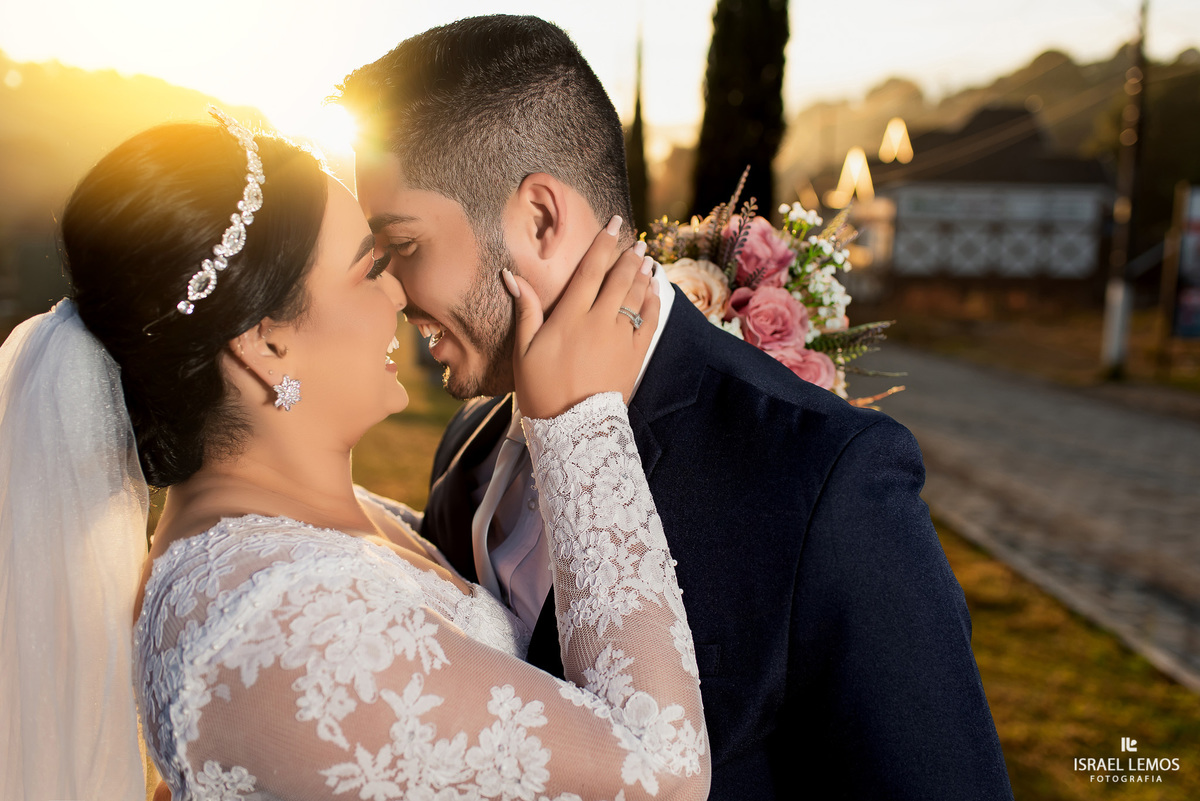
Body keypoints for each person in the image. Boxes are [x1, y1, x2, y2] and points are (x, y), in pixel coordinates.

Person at [338, 15, 1015, 799]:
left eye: (405, 245)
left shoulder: (822, 481)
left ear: (540, 219)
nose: (389, 289)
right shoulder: (470, 443)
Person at [0, 110, 710, 800]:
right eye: (369, 269)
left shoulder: (305, 531)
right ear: (264, 343)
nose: (399, 293)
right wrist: (580, 420)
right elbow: (664, 773)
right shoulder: (280, 620)